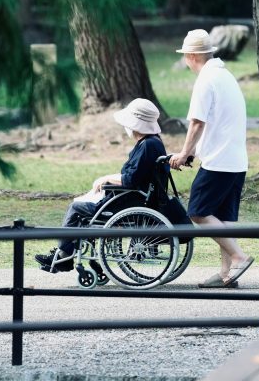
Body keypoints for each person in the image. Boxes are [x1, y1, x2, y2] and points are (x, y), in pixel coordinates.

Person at [35, 98, 168, 272]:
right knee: (83, 202)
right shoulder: (153, 143)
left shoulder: (147, 146)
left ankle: (63, 256)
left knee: (75, 208)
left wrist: (107, 179)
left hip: (130, 201)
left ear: (135, 125)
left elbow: (131, 179)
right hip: (137, 198)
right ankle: (66, 251)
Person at [169, 29, 254, 288]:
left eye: (185, 55)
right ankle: (227, 274)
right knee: (223, 217)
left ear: (192, 56)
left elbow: (197, 123)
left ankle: (239, 257)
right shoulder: (225, 76)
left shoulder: (206, 80)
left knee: (198, 212)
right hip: (236, 159)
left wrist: (184, 153)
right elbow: (218, 123)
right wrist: (194, 151)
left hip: (219, 162)